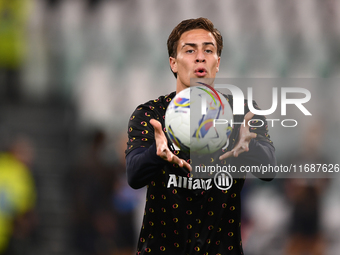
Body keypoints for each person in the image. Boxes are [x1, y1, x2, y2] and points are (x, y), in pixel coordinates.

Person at [125, 18, 276, 255]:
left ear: (217, 63)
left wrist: (247, 144)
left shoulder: (242, 113)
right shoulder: (151, 114)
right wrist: (160, 153)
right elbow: (134, 175)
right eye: (189, 50)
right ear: (173, 63)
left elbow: (269, 169)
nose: (200, 57)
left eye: (208, 50)